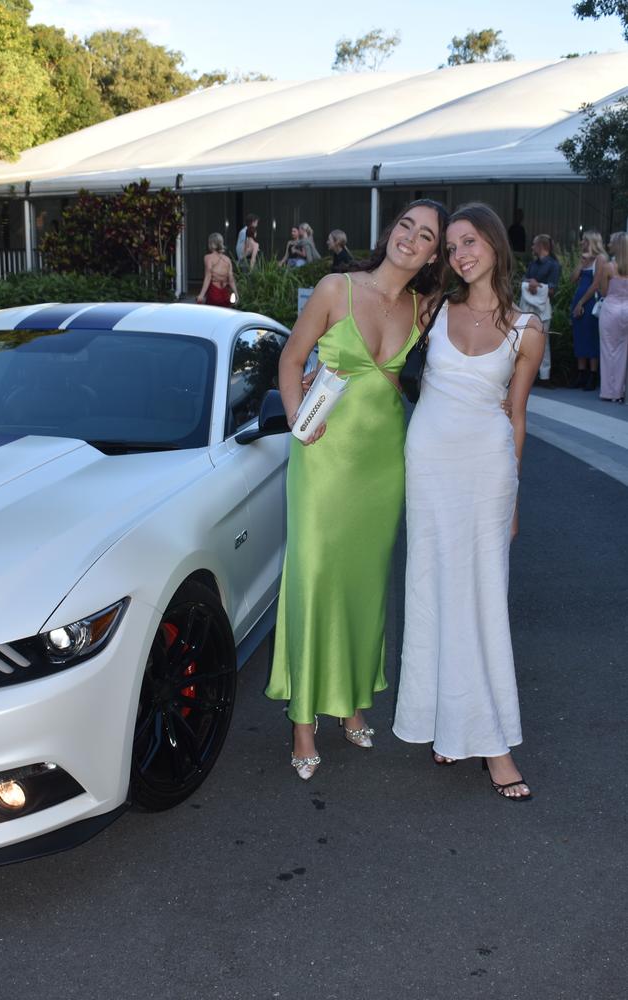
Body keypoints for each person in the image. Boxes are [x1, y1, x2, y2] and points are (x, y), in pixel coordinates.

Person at [265, 200, 448, 780]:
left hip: (381, 464)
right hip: (321, 458)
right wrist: (300, 421)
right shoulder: (334, 288)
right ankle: (302, 720)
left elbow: (482, 321)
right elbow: (292, 361)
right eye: (405, 227)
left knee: (366, 585)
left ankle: (352, 704)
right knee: (314, 578)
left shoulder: (427, 307)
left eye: (425, 237)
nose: (410, 240)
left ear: (433, 255)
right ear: (390, 230)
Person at [393, 202, 544, 801]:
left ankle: (494, 744)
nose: (460, 253)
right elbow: (378, 349)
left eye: (469, 241)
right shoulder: (432, 309)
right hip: (429, 466)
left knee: (483, 597)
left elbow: (517, 416)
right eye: (451, 245)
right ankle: (444, 723)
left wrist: (513, 499)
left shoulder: (526, 328)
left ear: (493, 245)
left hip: (488, 471)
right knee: (432, 593)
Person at [520, 234, 561, 385]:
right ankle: (529, 374)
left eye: (534, 244)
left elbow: (552, 290)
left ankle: (545, 377)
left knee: (543, 342)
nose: (531, 247)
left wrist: (536, 286)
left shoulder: (553, 265)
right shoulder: (533, 264)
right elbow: (524, 280)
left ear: (541, 246)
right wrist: (530, 282)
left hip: (543, 309)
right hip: (528, 309)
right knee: (526, 342)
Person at [571, 230, 607, 390]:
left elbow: (596, 284)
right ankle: (581, 373)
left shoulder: (600, 259)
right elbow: (573, 280)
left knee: (591, 337)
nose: (581, 243)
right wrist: (581, 263)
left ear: (591, 242)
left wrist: (581, 303)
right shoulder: (585, 259)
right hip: (578, 300)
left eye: (584, 240)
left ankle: (592, 375)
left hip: (590, 302)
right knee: (579, 336)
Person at [598, 231, 628, 403]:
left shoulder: (608, 267)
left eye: (611, 242)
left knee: (608, 349)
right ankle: (620, 391)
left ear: (617, 246)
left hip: (611, 309)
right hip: (627, 308)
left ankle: (609, 392)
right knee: (623, 351)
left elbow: (603, 291)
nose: (609, 245)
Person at [196, 233, 239, 307]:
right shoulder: (227, 259)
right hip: (226, 294)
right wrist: (236, 294)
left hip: (214, 293)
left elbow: (208, 277)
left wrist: (201, 295)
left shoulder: (208, 258)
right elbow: (231, 279)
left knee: (212, 316)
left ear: (211, 244)